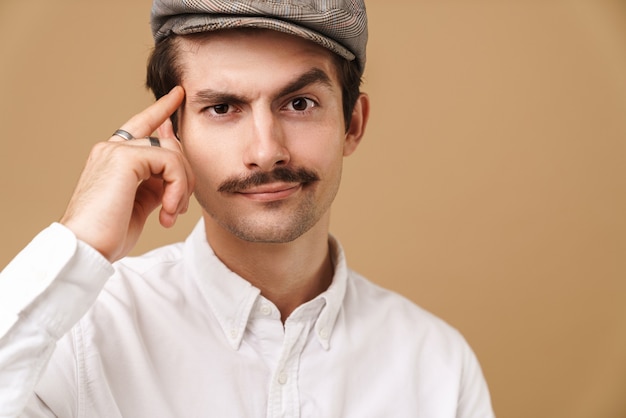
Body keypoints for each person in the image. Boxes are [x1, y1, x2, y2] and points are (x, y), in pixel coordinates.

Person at [0, 1, 495, 416]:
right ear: (171, 134)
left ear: (353, 124)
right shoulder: (77, 334)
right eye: (222, 108)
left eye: (299, 104)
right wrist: (77, 240)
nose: (266, 150)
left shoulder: (437, 366)